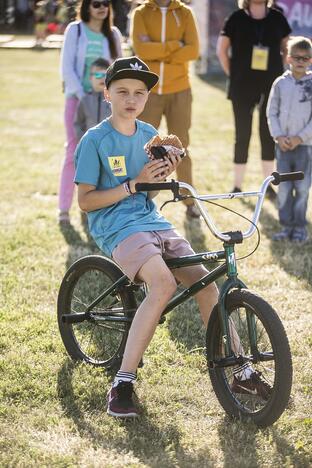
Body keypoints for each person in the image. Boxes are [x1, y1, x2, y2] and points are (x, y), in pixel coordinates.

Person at [74, 56, 219, 417]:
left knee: (206, 283)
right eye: (122, 91)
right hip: (115, 226)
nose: (131, 98)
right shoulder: (94, 140)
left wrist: (161, 174)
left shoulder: (148, 133)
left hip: (151, 220)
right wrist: (132, 183)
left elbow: (148, 192)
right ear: (106, 93)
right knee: (163, 284)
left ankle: (237, 369)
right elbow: (86, 202)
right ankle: (122, 382)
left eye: (140, 92)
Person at [130, 0, 201, 219]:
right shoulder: (140, 13)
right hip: (148, 91)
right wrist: (174, 45)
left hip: (180, 89)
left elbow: (193, 50)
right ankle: (136, 199)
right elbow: (141, 49)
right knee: (141, 147)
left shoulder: (185, 13)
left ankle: (189, 201)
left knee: (181, 147)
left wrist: (158, 50)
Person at [216, 0, 291, 197]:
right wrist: (233, 75)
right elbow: (221, 50)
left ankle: (269, 185)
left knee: (268, 135)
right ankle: (237, 185)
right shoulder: (236, 18)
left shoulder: (277, 18)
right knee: (242, 135)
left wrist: (278, 71)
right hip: (241, 86)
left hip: (270, 86)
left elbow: (287, 49)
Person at [59, 0, 122, 225]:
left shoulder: (113, 34)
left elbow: (118, 70)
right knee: (73, 153)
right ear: (86, 6)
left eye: (105, 3)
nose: (101, 7)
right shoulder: (74, 30)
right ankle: (64, 210)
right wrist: (82, 95)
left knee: (105, 156)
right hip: (77, 101)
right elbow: (66, 67)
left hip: (106, 104)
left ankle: (95, 208)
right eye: (96, 3)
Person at [267, 36, 312, 243]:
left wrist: (299, 137)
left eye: (306, 58)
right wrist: (278, 136)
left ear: (310, 60)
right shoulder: (280, 83)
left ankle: (300, 227)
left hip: (305, 146)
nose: (301, 61)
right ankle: (286, 226)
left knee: (302, 188)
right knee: (284, 188)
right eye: (297, 57)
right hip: (282, 146)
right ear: (288, 58)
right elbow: (271, 112)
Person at [74, 57, 111, 141]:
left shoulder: (114, 100)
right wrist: (83, 139)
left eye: (105, 75)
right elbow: (78, 123)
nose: (102, 78)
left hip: (110, 146)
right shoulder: (85, 100)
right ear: (90, 78)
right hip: (90, 145)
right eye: (98, 75)